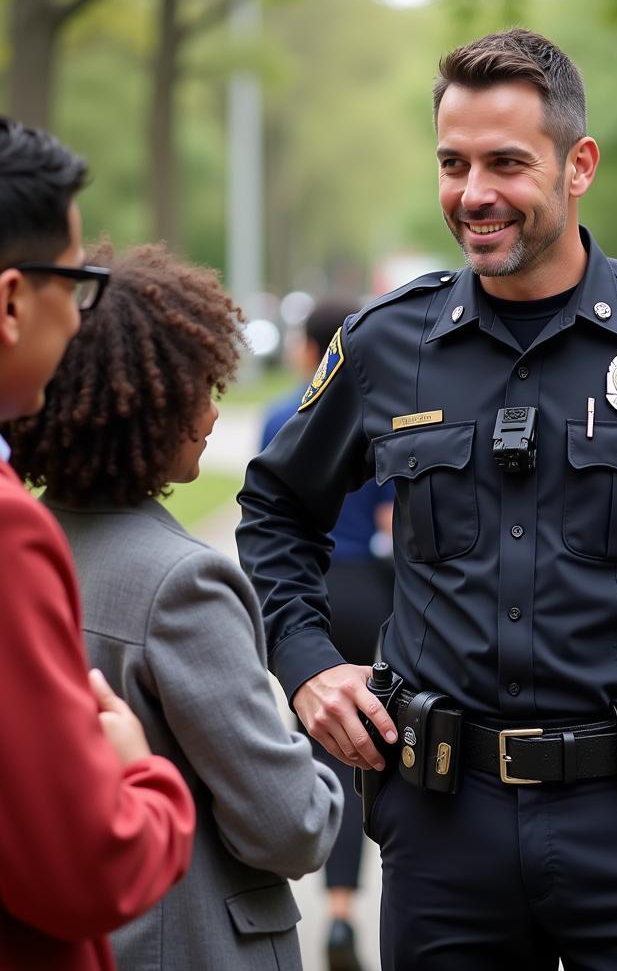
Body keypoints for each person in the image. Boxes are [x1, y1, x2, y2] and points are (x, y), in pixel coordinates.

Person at [238, 29, 617, 970]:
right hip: (443, 832)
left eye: (506, 163)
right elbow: (275, 511)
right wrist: (308, 663)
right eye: (453, 163)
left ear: (579, 166)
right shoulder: (385, 344)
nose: (473, 193)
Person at [4, 242, 344, 971]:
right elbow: (289, 827)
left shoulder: (20, 550)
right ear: (147, 407)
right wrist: (323, 773)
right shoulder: (183, 587)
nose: (216, 413)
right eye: (198, 389)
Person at [0, 108, 195, 970]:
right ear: (11, 301)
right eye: (77, 285)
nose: (83, 320)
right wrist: (142, 776)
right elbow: (84, 869)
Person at [261, 297, 393, 971]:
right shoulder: (378, 403)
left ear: (311, 350)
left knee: (328, 743)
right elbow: (395, 516)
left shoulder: (284, 415)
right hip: (372, 585)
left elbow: (275, 508)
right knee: (372, 742)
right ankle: (348, 900)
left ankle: (331, 907)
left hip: (313, 591)